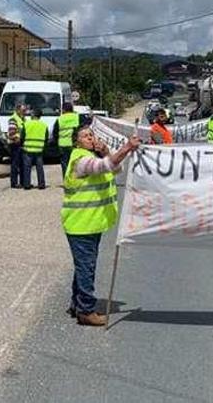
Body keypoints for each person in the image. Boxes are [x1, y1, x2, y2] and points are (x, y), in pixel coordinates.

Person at [62, 124, 141, 326]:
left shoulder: (95, 157)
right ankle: (86, 311)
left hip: (91, 223)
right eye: (85, 136)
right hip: (81, 224)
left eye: (91, 135)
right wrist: (126, 148)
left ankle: (76, 304)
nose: (90, 138)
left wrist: (106, 150)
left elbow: (116, 168)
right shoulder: (80, 160)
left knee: (83, 266)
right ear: (76, 142)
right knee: (87, 267)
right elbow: (104, 167)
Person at [21, 108, 48, 190]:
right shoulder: (44, 125)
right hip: (39, 150)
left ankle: (27, 184)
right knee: (40, 168)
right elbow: (46, 138)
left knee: (27, 168)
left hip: (28, 149)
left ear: (33, 115)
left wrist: (22, 145)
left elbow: (22, 137)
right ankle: (41, 184)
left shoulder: (26, 124)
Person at [54, 102, 80, 177]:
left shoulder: (59, 119)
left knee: (64, 164)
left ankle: (66, 181)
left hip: (62, 144)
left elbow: (55, 133)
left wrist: (56, 144)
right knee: (75, 163)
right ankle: (75, 180)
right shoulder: (77, 117)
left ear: (64, 109)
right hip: (74, 144)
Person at [8, 104, 27, 189]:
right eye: (23, 110)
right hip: (15, 144)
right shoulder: (13, 119)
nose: (25, 112)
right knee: (15, 164)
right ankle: (14, 183)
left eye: (25, 110)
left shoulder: (23, 119)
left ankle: (23, 182)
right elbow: (11, 132)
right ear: (18, 110)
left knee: (23, 164)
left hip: (22, 144)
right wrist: (18, 140)